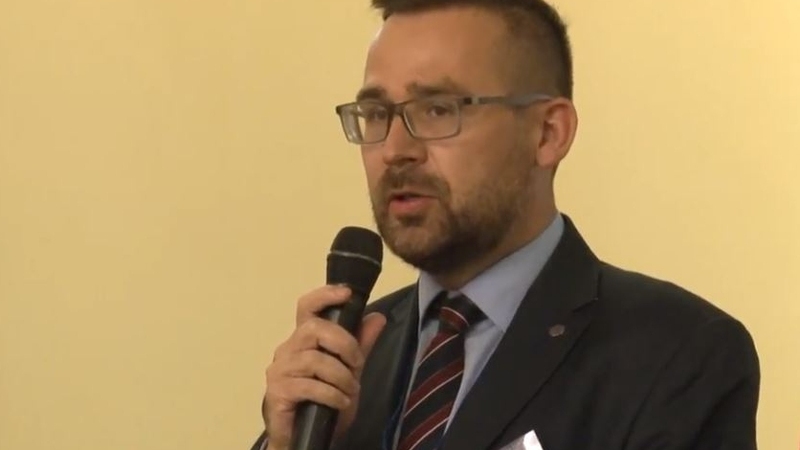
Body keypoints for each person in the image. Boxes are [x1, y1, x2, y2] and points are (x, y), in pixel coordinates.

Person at [251, 0, 761, 449]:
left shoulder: (677, 355)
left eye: (437, 110)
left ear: (548, 133)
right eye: (376, 112)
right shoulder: (353, 356)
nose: (394, 150)